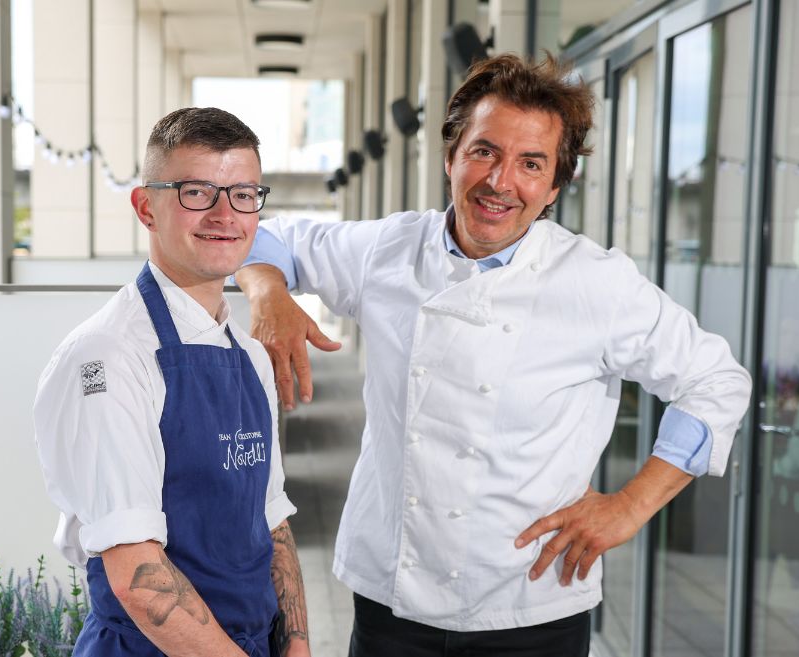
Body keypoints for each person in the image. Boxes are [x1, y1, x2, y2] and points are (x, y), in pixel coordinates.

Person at [235, 54, 752, 656]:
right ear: (451, 158)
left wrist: (631, 506)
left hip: (532, 600)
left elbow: (716, 382)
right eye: (484, 151)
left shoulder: (597, 283)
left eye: (531, 163)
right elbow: (261, 234)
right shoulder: (389, 248)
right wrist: (269, 291)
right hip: (392, 595)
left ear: (556, 185)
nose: (501, 182)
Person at [33, 107, 311, 657]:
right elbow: (137, 574)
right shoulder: (111, 356)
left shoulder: (250, 357)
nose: (224, 213)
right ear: (146, 207)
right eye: (196, 192)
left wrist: (297, 644)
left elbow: (271, 519)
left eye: (244, 194)